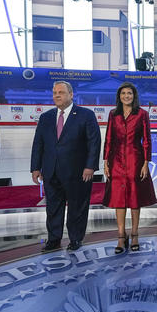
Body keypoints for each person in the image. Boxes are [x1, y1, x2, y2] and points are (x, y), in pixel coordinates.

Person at [30, 81, 101, 252]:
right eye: (54, 92)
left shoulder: (85, 115)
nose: (57, 96)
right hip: (51, 171)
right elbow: (38, 143)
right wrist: (35, 167)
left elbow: (94, 142)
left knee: (77, 207)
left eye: (61, 92)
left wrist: (90, 166)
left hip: (78, 172)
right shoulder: (46, 117)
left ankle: (75, 239)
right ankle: (54, 239)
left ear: (71, 95)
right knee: (53, 207)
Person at [102, 82, 156, 253]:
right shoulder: (113, 114)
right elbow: (109, 138)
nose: (127, 96)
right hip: (116, 160)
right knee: (118, 199)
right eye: (123, 93)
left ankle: (134, 234)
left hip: (135, 160)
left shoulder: (142, 114)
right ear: (119, 96)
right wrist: (105, 161)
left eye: (130, 93)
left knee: (134, 199)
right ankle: (120, 236)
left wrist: (146, 162)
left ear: (134, 96)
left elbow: (147, 140)